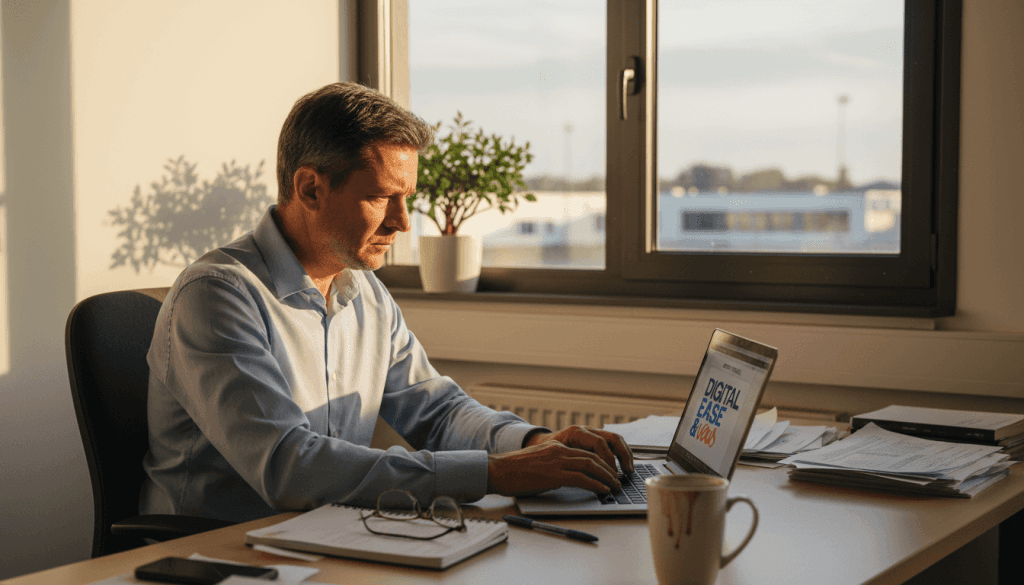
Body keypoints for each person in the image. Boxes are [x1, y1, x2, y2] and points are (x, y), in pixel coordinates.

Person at [139, 82, 633, 523]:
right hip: (217, 554)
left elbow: (436, 411)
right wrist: (498, 473)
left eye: (407, 198)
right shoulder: (216, 295)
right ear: (310, 188)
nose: (401, 222)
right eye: (381, 197)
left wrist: (533, 444)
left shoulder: (364, 291)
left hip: (328, 537)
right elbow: (289, 467)